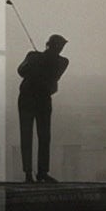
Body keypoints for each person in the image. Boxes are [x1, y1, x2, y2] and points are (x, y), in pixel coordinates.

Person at [17, 34, 69, 182]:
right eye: (59, 46)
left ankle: (35, 173)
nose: (60, 49)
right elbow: (21, 71)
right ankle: (36, 172)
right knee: (38, 136)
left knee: (38, 136)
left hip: (31, 98)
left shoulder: (38, 57)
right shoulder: (57, 60)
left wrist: (36, 60)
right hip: (37, 99)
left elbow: (22, 71)